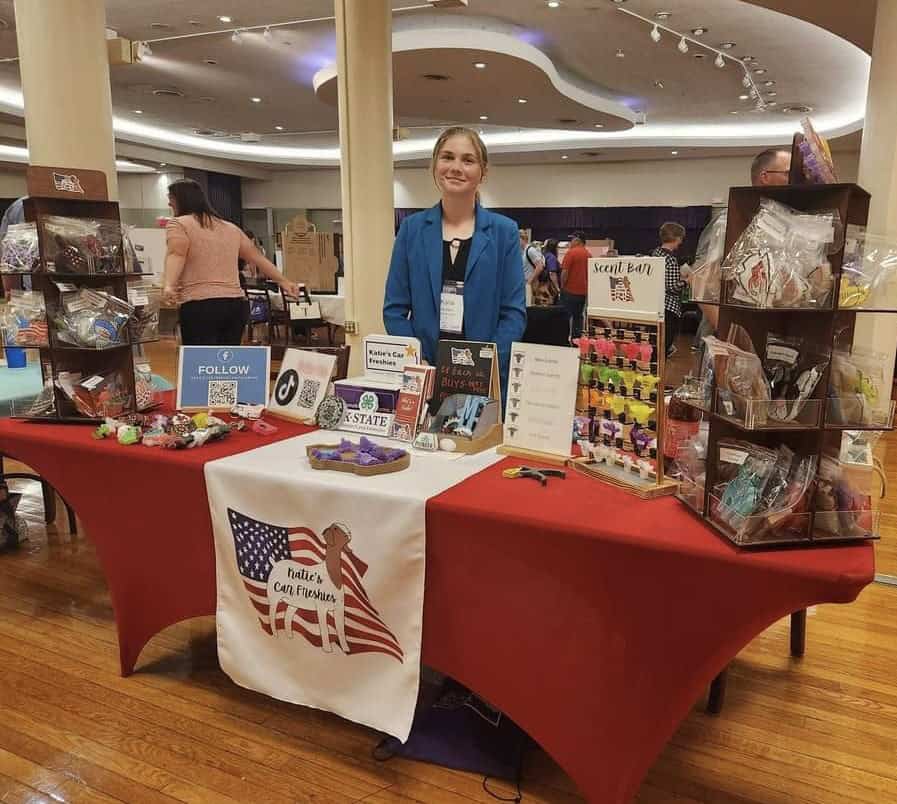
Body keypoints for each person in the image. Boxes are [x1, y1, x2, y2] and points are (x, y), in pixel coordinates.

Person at [383, 126, 526, 399]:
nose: (456, 167)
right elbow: (394, 310)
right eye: (447, 157)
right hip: (426, 377)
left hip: (485, 382)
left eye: (468, 160)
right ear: (434, 165)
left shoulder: (504, 232)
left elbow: (513, 314)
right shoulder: (411, 230)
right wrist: (417, 360)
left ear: (483, 172)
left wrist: (485, 366)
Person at [162, 179, 300, 346]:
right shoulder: (230, 227)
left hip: (199, 304)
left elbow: (177, 253)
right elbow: (257, 258)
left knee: (201, 365)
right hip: (234, 305)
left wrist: (169, 285)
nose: (169, 202)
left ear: (181, 199)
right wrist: (284, 281)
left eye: (171, 197)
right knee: (227, 363)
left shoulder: (178, 224)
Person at [651, 222, 689, 358]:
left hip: (656, 305)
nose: (681, 242)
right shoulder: (671, 259)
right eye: (680, 239)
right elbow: (672, 287)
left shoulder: (656, 253)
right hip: (669, 307)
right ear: (677, 238)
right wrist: (686, 281)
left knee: (655, 343)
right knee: (664, 344)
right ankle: (658, 374)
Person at [560, 231, 592, 340]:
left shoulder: (571, 253)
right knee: (578, 316)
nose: (570, 242)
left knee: (565, 316)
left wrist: (562, 287)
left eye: (572, 239)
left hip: (569, 291)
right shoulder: (589, 255)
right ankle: (576, 339)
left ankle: (563, 338)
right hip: (583, 292)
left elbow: (564, 273)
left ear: (577, 240)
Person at [520, 230, 544, 306]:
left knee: (529, 306)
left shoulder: (530, 250)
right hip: (526, 283)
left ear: (522, 239)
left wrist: (529, 281)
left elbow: (540, 267)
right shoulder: (523, 251)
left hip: (530, 284)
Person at [534, 238, 561, 304]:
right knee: (550, 306)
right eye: (557, 247)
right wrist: (557, 288)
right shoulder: (551, 257)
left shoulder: (543, 255)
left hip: (541, 285)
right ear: (554, 247)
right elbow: (552, 273)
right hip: (549, 287)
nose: (558, 249)